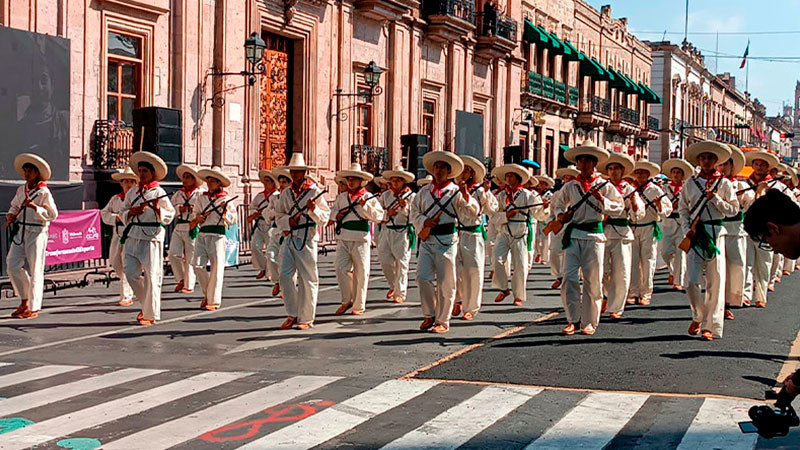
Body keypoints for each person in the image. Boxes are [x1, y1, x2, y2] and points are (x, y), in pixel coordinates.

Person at [549, 141, 623, 335]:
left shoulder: (605, 186)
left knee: (593, 280)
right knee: (569, 277)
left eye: (587, 161)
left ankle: (590, 322)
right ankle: (572, 319)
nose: (582, 164)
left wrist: (602, 200)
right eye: (580, 161)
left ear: (594, 163)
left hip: (595, 236)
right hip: (573, 235)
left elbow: (619, 207)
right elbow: (557, 204)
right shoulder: (570, 185)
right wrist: (559, 215)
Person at [410, 151, 477, 333]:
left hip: (447, 242)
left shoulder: (456, 192)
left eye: (442, 168)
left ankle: (443, 321)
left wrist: (466, 197)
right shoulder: (423, 192)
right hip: (427, 240)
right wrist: (425, 222)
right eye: (436, 167)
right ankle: (429, 314)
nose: (438, 171)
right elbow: (413, 213)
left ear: (449, 171)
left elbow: (471, 213)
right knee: (422, 277)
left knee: (446, 282)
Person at [679, 141, 738, 341]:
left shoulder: (725, 183)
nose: (706, 161)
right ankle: (697, 315)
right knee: (691, 280)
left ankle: (710, 326)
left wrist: (715, 199)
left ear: (716, 161)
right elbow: (683, 209)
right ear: (698, 160)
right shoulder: (690, 183)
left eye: (710, 158)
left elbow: (733, 209)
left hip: (716, 232)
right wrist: (687, 229)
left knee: (716, 280)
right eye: (703, 158)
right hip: (696, 234)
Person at [274, 153, 331, 330]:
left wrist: (313, 210)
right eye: (292, 171)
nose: (294, 174)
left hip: (307, 236)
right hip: (290, 236)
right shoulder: (286, 193)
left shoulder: (314, 191)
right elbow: (278, 215)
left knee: (308, 278)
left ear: (304, 172)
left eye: (297, 171)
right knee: (284, 276)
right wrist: (287, 222)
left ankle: (306, 317)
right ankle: (292, 312)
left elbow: (325, 218)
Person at [120, 152, 175, 326]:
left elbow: (170, 214)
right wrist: (131, 212)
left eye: (145, 171)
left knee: (152, 275)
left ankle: (151, 314)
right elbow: (122, 211)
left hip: (151, 237)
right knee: (130, 273)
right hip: (132, 235)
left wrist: (158, 209)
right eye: (140, 170)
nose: (142, 173)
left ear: (152, 173)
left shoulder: (159, 192)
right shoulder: (132, 192)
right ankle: (146, 306)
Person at [5, 153, 58, 319]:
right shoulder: (21, 189)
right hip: (21, 230)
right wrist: (11, 215)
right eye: (25, 170)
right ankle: (24, 299)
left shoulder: (44, 192)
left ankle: (33, 307)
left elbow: (53, 214)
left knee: (36, 268)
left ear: (37, 173)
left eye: (30, 171)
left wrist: (36, 208)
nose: (27, 174)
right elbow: (14, 205)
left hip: (37, 231)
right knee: (12, 265)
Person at [331, 163, 384, 315]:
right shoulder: (342, 197)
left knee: (361, 271)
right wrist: (336, 215)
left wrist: (365, 206)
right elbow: (333, 211)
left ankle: (358, 304)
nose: (350, 182)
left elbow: (378, 216)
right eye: (349, 179)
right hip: (343, 237)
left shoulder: (367, 197)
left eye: (354, 179)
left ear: (361, 181)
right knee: (341, 269)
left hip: (360, 238)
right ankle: (347, 299)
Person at [741, 150, 790, 308]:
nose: (759, 167)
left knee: (764, 263)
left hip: (767, 230)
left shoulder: (778, 186)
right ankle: (746, 294)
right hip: (747, 228)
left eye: (763, 165)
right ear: (753, 165)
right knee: (746, 263)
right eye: (756, 164)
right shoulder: (743, 184)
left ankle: (761, 295)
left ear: (768, 167)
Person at [599, 153, 644, 320]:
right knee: (602, 270)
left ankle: (616, 306)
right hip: (604, 231)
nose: (613, 171)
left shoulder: (629, 188)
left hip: (622, 232)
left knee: (622, 271)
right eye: (610, 168)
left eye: (616, 168)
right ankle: (604, 296)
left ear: (622, 170)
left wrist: (633, 202)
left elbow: (638, 213)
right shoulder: (602, 186)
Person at [453, 156, 497, 319]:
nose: (464, 173)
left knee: (473, 271)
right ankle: (457, 300)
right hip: (456, 233)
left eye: (467, 170)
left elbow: (490, 209)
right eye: (462, 170)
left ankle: (471, 308)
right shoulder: (452, 189)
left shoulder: (479, 191)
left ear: (472, 173)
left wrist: (485, 192)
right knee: (454, 270)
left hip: (473, 233)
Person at [190, 166, 237, 311]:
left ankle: (214, 300)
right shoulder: (201, 197)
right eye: (208, 180)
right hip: (202, 233)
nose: (209, 183)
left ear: (219, 183)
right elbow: (194, 215)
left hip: (217, 235)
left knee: (217, 267)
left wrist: (223, 211)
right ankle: (207, 293)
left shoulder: (226, 199)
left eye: (213, 181)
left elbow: (233, 219)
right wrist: (198, 218)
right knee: (197, 265)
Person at [490, 163, 538, 306]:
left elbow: (538, 213)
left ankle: (518, 295)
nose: (507, 178)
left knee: (520, 265)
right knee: (496, 259)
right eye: (507, 176)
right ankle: (504, 289)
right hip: (504, 230)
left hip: (520, 230)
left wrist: (545, 207)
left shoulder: (527, 195)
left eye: (511, 176)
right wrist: (506, 215)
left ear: (517, 179)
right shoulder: (500, 195)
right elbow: (493, 215)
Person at [627, 161, 672, 306]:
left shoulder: (655, 190)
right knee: (632, 261)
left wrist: (658, 205)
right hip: (632, 227)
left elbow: (667, 209)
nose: (639, 175)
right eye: (637, 172)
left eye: (643, 172)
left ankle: (646, 292)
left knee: (648, 261)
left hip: (648, 227)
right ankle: (633, 291)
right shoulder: (629, 188)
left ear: (648, 174)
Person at [719, 145, 751, 318]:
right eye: (720, 164)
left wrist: (740, 201)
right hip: (717, 227)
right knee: (718, 267)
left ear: (732, 166)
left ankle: (733, 298)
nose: (723, 168)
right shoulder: (713, 184)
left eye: (726, 164)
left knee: (737, 266)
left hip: (736, 229)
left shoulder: (741, 185)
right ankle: (721, 302)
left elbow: (748, 206)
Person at [378, 164, 416, 305]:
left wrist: (404, 208)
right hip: (387, 230)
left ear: (403, 181)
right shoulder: (386, 195)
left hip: (402, 232)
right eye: (393, 180)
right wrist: (388, 213)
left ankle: (400, 293)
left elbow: (413, 217)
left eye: (398, 180)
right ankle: (393, 285)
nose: (395, 183)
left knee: (402, 263)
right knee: (385, 260)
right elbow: (378, 213)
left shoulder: (412, 196)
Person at [101, 167, 138, 306]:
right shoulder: (115, 199)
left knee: (127, 264)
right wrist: (116, 218)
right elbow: (104, 213)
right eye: (125, 181)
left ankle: (126, 295)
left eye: (131, 181)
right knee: (115, 262)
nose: (128, 184)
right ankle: (134, 284)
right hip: (117, 233)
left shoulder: (137, 199)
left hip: (132, 234)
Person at [168, 165, 204, 294]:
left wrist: (193, 211)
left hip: (192, 226)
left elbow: (203, 210)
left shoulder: (200, 193)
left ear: (194, 179)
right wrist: (179, 209)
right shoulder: (178, 194)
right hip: (180, 225)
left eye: (188, 177)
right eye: (184, 177)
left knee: (190, 256)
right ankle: (181, 278)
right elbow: (170, 209)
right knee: (173, 254)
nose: (185, 180)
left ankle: (189, 285)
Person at [659, 158, 693, 291]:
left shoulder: (687, 187)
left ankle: (678, 281)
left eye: (678, 172)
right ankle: (672, 270)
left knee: (680, 253)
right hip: (667, 221)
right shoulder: (664, 188)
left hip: (681, 221)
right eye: (673, 172)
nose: (675, 175)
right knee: (665, 252)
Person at [549, 166, 579, 290]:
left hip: (575, 225)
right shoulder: (557, 194)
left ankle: (569, 276)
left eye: (571, 177)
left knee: (571, 253)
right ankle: (558, 275)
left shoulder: (579, 192)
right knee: (555, 250)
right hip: (559, 224)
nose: (567, 180)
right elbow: (553, 209)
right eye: (566, 177)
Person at [248, 169, 279, 280]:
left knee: (270, 249)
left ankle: (269, 273)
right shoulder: (259, 196)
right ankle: (262, 267)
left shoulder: (277, 195)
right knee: (255, 246)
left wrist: (266, 213)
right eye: (264, 181)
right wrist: (254, 214)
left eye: (268, 181)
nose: (265, 183)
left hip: (271, 224)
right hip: (260, 224)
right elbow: (252, 207)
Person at [265, 168, 291, 296]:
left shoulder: (293, 197)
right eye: (280, 182)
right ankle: (277, 281)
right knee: (270, 255)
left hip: (288, 231)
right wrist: (274, 213)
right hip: (275, 231)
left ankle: (286, 288)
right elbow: (267, 213)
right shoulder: (274, 197)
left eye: (285, 182)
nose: (281, 185)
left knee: (286, 261)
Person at [533, 175, 555, 265]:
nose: (540, 185)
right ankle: (538, 252)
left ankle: (544, 257)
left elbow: (551, 207)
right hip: (537, 217)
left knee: (545, 238)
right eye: (540, 183)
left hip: (546, 218)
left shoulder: (550, 195)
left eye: (543, 183)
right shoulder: (535, 194)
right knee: (537, 238)